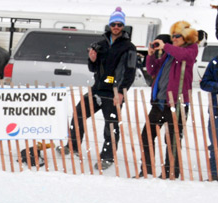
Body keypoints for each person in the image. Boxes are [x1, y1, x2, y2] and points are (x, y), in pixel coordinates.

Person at [60, 7, 137, 171]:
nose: (116, 26)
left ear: (123, 26)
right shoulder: (101, 44)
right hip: (98, 88)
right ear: (109, 25)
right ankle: (72, 146)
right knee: (78, 114)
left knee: (111, 125)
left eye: (119, 24)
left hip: (114, 90)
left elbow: (129, 72)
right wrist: (92, 59)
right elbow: (94, 69)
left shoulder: (129, 47)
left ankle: (107, 156)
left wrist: (122, 91)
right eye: (114, 23)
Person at [139, 21, 198, 179]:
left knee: (172, 140)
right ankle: (146, 170)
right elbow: (153, 69)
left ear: (185, 36)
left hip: (177, 103)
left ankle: (171, 172)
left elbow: (184, 56)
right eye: (173, 36)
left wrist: (165, 46)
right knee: (147, 135)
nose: (174, 38)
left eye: (177, 36)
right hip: (159, 102)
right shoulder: (170, 52)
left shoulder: (191, 49)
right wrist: (151, 55)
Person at [200, 48, 218, 181]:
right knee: (215, 145)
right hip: (216, 112)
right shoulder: (215, 61)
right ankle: (215, 174)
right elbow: (204, 83)